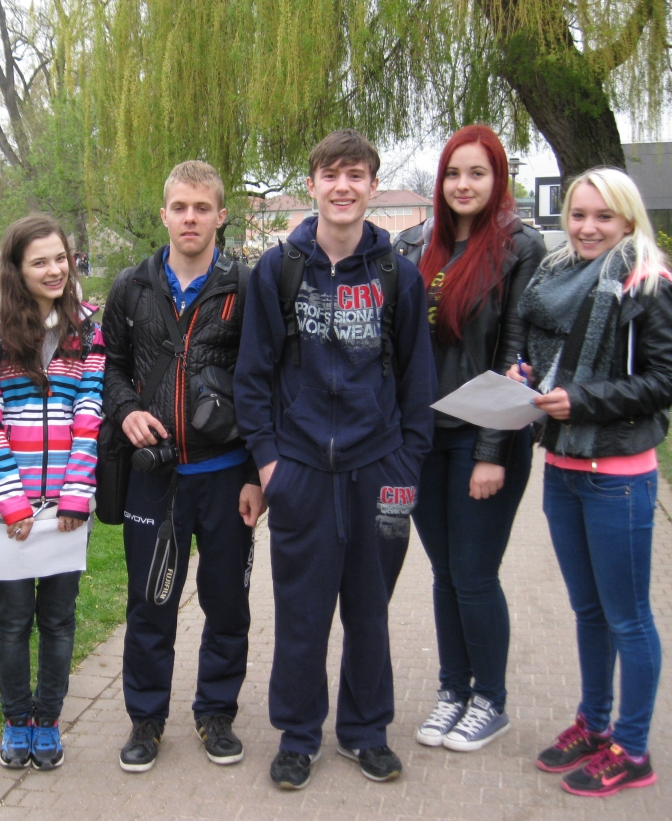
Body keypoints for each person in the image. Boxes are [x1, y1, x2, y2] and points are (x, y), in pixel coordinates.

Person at [235, 129, 436, 789]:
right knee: (301, 614)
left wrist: (405, 466)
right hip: (300, 474)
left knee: (370, 610)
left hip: (381, 472)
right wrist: (271, 465)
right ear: (312, 184)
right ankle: (298, 735)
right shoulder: (277, 270)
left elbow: (418, 382)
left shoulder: (398, 276)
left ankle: (365, 730)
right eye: (331, 174)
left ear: (372, 186)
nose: (343, 186)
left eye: (356, 175)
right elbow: (253, 378)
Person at [507, 167, 672, 796]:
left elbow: (669, 379)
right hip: (562, 468)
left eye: (603, 217)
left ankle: (632, 749)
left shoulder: (647, 284)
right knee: (588, 611)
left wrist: (581, 400)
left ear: (628, 220)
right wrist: (527, 377)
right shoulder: (556, 278)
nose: (587, 228)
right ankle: (594, 723)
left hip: (618, 477)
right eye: (578, 215)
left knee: (627, 617)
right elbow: (551, 361)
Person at [101, 160, 266, 773]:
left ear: (221, 215)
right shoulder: (131, 287)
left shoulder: (246, 287)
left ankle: (216, 713)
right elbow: (111, 366)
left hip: (226, 475)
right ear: (164, 215)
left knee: (227, 605)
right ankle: (146, 720)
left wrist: (254, 474)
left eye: (202, 208)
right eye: (179, 208)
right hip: (155, 476)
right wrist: (125, 412)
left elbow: (265, 380)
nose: (190, 218)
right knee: (151, 604)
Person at [393, 126, 546, 752]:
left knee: (475, 574)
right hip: (425, 439)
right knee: (443, 573)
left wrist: (490, 453)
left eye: (477, 173)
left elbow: (516, 353)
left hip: (485, 437)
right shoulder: (413, 246)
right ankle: (452, 691)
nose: (463, 184)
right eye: (454, 173)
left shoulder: (519, 248)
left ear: (497, 179)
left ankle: (490, 701)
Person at [0, 214, 105, 772]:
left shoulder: (87, 329)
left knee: (59, 620)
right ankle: (15, 719)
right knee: (13, 619)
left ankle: (47, 719)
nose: (54, 270)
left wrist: (76, 493)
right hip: (6, 510)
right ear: (16, 269)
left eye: (60, 258)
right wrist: (12, 503)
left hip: (67, 508)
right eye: (39, 261)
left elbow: (89, 415)